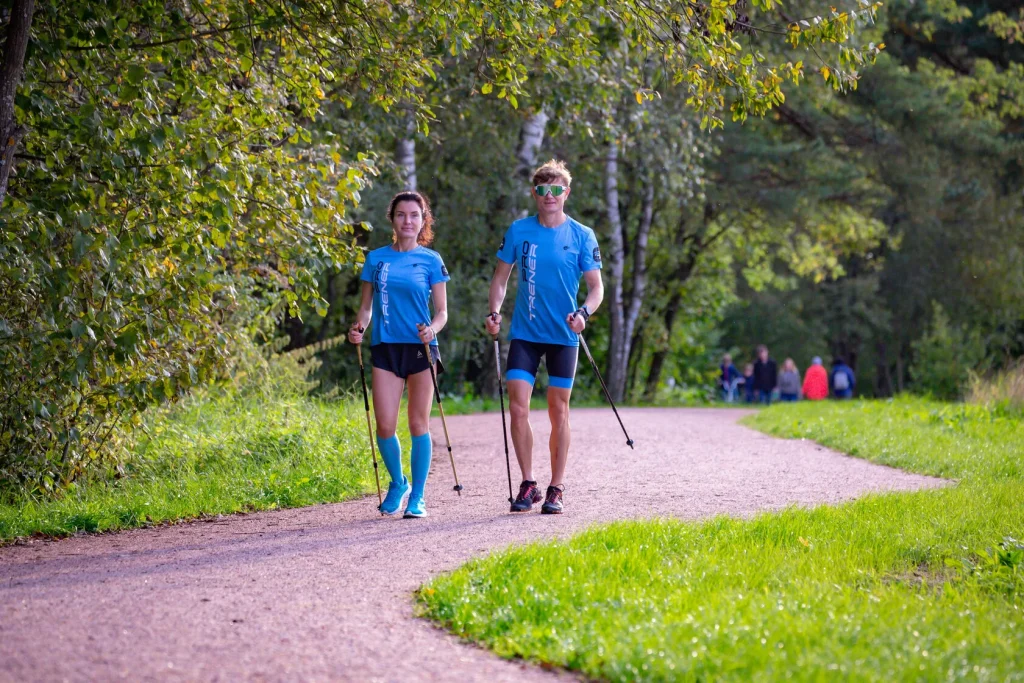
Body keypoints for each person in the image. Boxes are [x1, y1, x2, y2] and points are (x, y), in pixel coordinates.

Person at [484, 159, 604, 515]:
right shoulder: (520, 231)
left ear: (566, 193)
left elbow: (596, 289)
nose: (548, 195)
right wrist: (494, 312)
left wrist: (584, 314)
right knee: (518, 407)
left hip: (564, 336)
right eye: (541, 189)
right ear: (534, 194)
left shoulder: (582, 235)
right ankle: (528, 483)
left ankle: (556, 487)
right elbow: (501, 279)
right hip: (525, 334)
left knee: (558, 410)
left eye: (555, 189)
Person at [348, 191, 450, 518]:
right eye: (402, 215)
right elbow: (365, 308)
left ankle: (418, 496)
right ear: (392, 219)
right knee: (385, 425)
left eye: (414, 215)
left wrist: (432, 330)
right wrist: (359, 328)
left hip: (421, 347)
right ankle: (399, 482)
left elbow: (443, 312)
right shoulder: (376, 259)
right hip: (386, 347)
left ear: (424, 221)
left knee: (419, 423)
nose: (408, 221)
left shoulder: (432, 260)